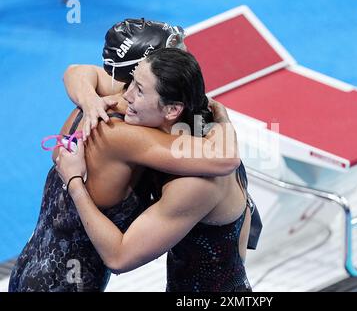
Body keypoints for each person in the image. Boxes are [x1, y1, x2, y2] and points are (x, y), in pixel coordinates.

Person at [8, 20, 240, 292]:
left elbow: (75, 71)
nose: (186, 55)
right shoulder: (124, 130)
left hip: (32, 267)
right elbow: (227, 158)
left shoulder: (111, 99)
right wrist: (222, 117)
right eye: (176, 50)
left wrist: (87, 99)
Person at [57, 48, 253, 292]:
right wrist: (89, 100)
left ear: (172, 110)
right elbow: (77, 72)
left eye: (139, 90)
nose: (125, 95)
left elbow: (118, 257)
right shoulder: (196, 126)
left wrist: (74, 181)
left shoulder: (194, 181)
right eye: (131, 82)